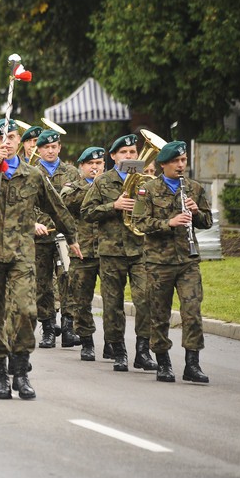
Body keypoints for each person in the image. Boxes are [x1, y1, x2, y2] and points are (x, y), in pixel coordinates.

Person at [0, 119, 80, 400]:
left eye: (13, 136)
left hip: (21, 255)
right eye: (3, 138)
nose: (9, 142)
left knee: (26, 311)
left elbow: (56, 206)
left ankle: (21, 372)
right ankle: (1, 375)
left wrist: (73, 238)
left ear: (19, 142)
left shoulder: (32, 175)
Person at [133, 141, 213, 383]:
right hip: (159, 262)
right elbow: (140, 223)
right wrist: (169, 223)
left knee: (192, 312)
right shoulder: (148, 189)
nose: (181, 165)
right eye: (176, 162)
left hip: (188, 260)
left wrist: (196, 212)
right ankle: (163, 362)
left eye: (183, 161)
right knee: (159, 314)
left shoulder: (194, 188)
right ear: (163, 164)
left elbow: (207, 222)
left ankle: (192, 364)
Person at [81, 133, 159, 372]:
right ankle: (119, 351)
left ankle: (143, 351)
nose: (129, 155)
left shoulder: (147, 181)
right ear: (113, 156)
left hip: (139, 249)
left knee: (145, 299)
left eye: (133, 152)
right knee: (113, 304)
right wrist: (113, 206)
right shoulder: (102, 181)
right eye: (124, 153)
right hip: (111, 251)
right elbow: (87, 212)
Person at [32, 129, 81, 349]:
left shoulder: (71, 172)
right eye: (46, 147)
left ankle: (68, 326)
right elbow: (25, 204)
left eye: (54, 147)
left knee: (68, 279)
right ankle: (48, 328)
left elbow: (80, 201)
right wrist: (33, 223)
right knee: (42, 283)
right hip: (40, 237)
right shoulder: (32, 172)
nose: (50, 151)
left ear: (59, 148)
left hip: (63, 236)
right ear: (39, 150)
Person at [60, 147, 105, 360]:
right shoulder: (72, 187)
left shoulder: (113, 186)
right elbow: (66, 203)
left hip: (108, 250)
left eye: (99, 164)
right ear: (82, 167)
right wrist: (96, 186)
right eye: (90, 164)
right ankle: (87, 341)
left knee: (113, 301)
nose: (95, 168)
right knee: (81, 300)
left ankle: (114, 343)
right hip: (82, 251)